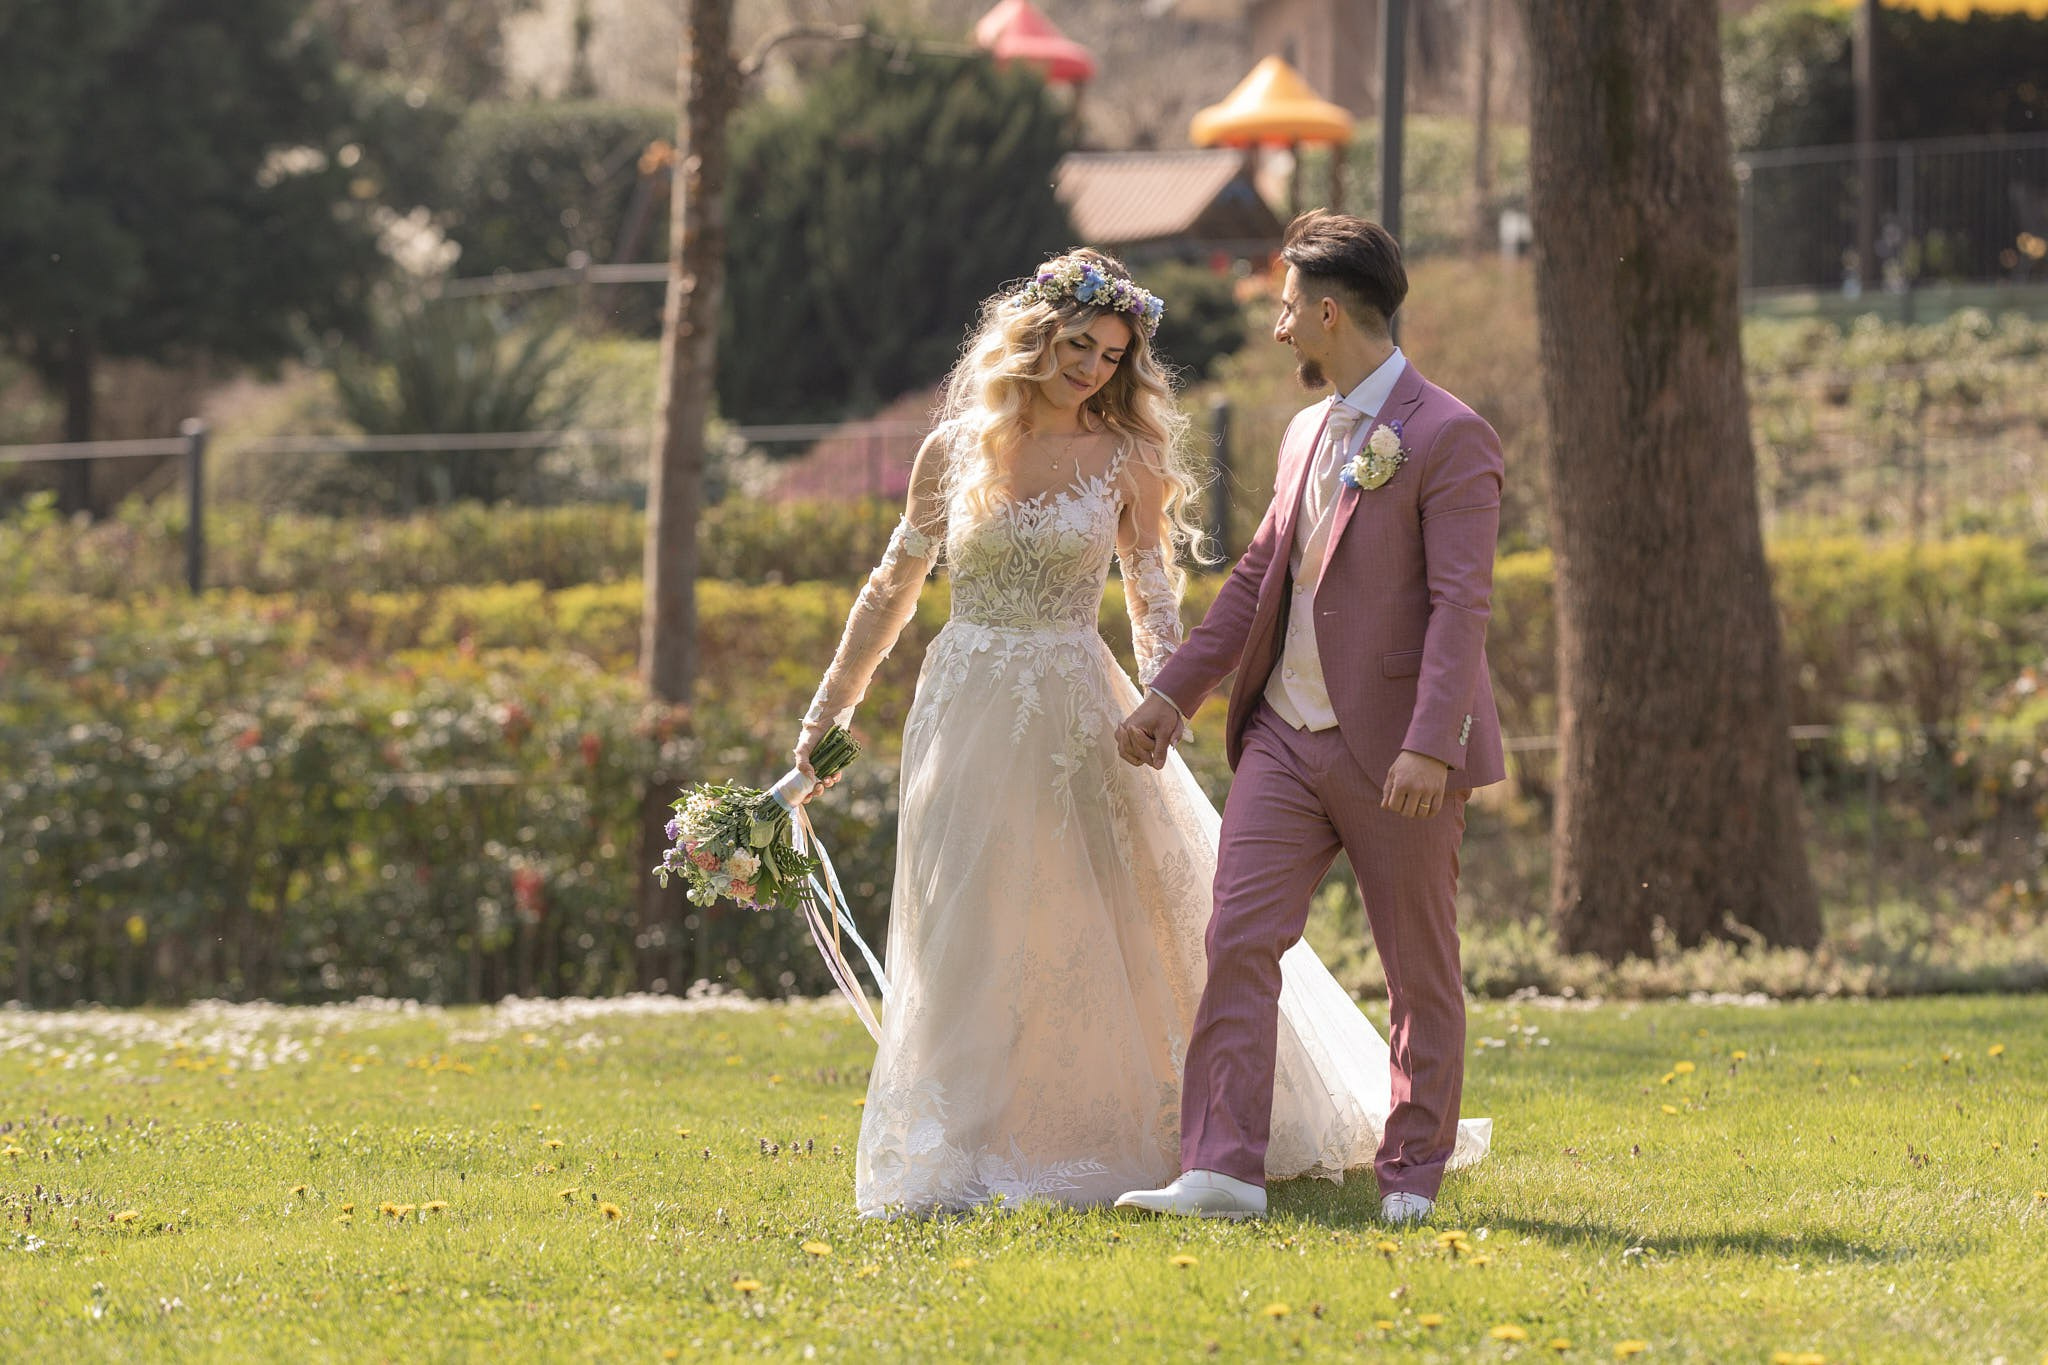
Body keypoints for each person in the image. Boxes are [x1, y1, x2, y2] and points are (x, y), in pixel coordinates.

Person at [794, 246, 1486, 1218]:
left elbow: (1151, 591)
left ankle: (1151, 1137)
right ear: (1033, 335)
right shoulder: (949, 450)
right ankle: (951, 1149)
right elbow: (890, 586)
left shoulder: (1128, 456)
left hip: (1081, 707)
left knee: (1103, 925)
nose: (1092, 369)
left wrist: (1164, 697)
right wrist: (828, 714)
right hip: (961, 707)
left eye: (1113, 355)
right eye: (1079, 345)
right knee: (964, 924)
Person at [1114, 210, 1505, 1227]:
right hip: (1284, 742)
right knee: (1236, 937)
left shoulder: (1450, 436)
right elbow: (1257, 581)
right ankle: (1221, 1170)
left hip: (1398, 758)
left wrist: (1430, 744)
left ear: (1328, 313)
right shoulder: (1300, 432)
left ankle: (1411, 1171)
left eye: (1287, 309)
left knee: (1417, 967)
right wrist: (1170, 692)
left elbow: (1461, 606)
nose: (1278, 329)